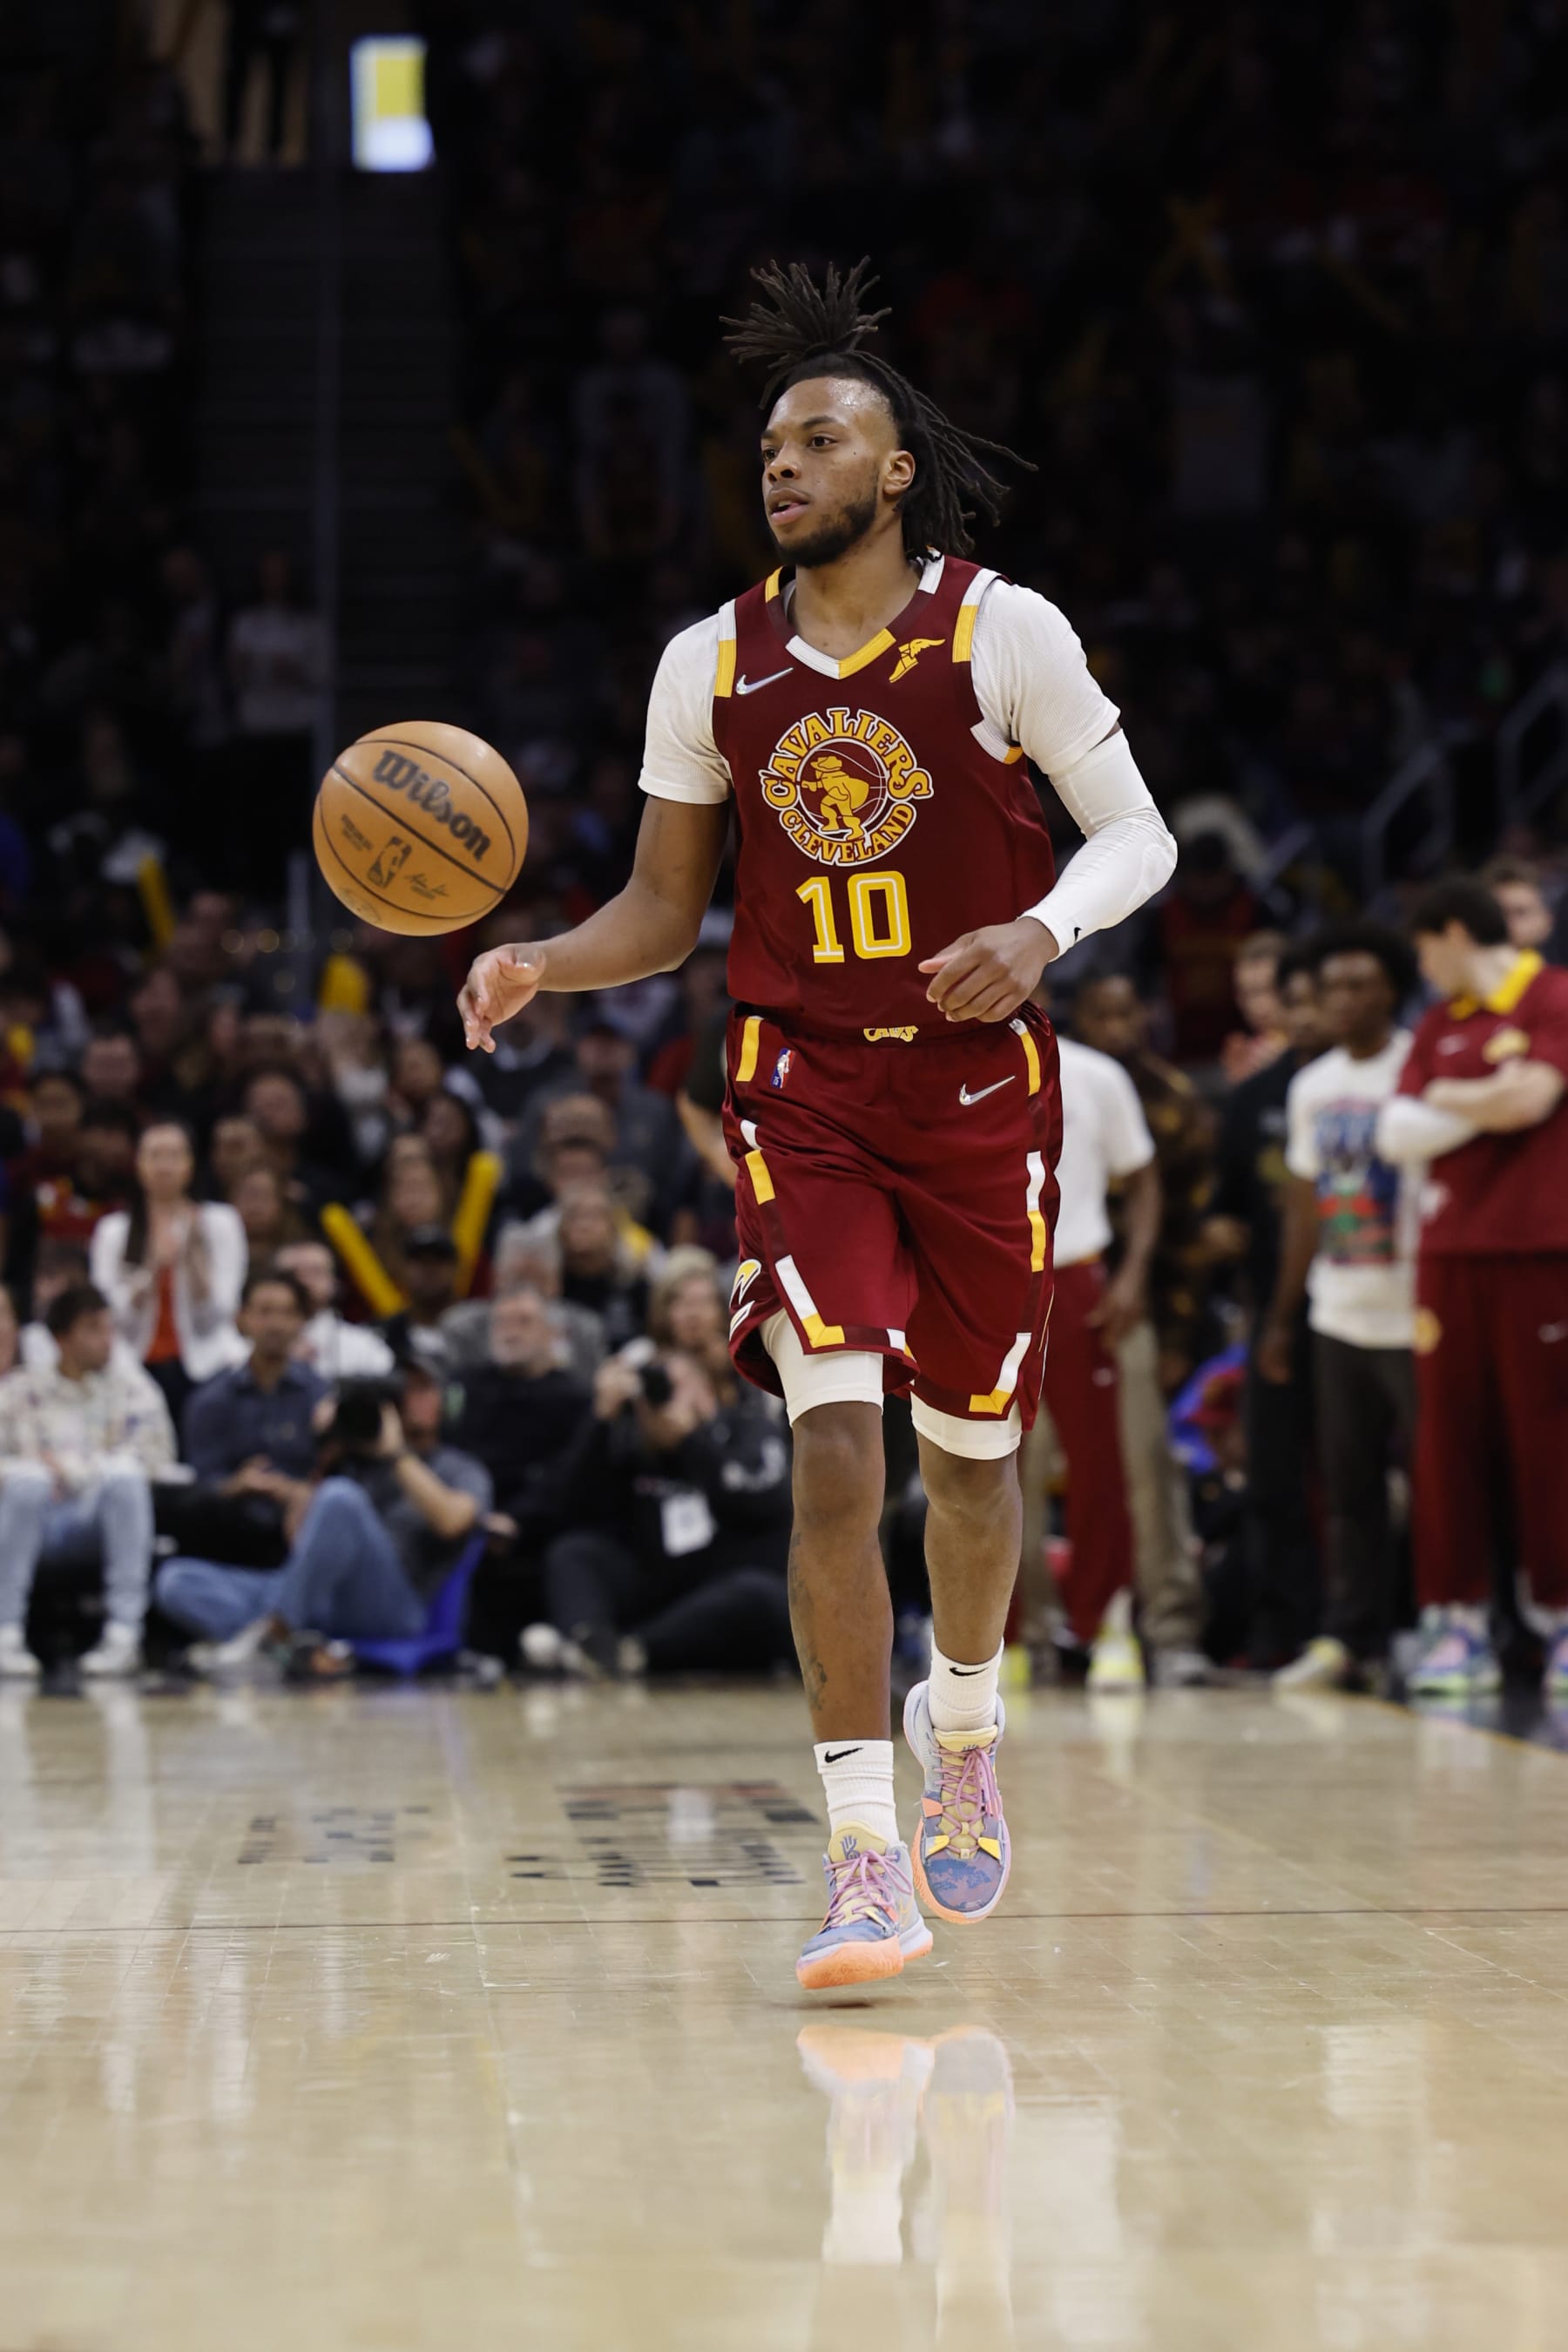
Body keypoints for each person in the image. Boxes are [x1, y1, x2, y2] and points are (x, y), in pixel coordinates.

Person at [460, 260, 1176, 1990]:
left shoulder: (1005, 632)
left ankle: (969, 1718)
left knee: (978, 1475)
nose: (781, 465)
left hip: (976, 1092)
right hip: (803, 1094)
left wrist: (1040, 931)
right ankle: (863, 1851)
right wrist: (544, 963)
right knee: (841, 1456)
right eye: (770, 443)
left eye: (819, 437)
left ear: (894, 467)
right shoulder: (707, 661)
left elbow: (1139, 837)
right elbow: (662, 904)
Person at [1375, 880, 1568, 1695]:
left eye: (1424, 950)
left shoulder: (1554, 996)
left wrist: (1448, 1099)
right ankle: (1455, 1622)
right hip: (1447, 1257)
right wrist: (1479, 1099)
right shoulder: (1435, 1024)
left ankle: (1557, 1620)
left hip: (1538, 1250)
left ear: (1453, 934)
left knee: (1548, 1438)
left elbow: (1534, 1101)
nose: (1423, 968)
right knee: (1445, 1441)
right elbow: (1393, 1129)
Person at [1260, 927, 1419, 1689]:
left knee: (1441, 1482)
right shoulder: (1311, 1086)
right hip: (1337, 1312)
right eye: (1333, 989)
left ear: (1390, 989)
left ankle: (1447, 1622)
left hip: (1417, 1310)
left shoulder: (1419, 1065)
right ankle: (1350, 1637)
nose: (1345, 1001)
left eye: (1360, 985)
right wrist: (1283, 1320)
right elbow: (1304, 1209)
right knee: (1348, 1488)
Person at [157, 1362, 491, 1674]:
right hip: (319, 1598)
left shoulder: (458, 1467)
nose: (412, 1400)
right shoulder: (353, 1461)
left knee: (340, 1497)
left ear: (445, 1401)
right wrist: (324, 1444)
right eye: (405, 1391)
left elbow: (453, 1521)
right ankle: (290, 1644)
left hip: (393, 1607)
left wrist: (395, 1454)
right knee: (177, 1580)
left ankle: (275, 1637)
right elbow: (298, 1540)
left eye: (423, 1390)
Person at [1021, 1022, 1158, 1691]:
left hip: (1076, 1274)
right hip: (989, 1279)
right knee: (983, 1465)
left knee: (1100, 1460)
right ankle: (1004, 1634)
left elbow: (1143, 1179)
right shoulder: (943, 1064)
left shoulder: (1094, 1073)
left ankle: (1107, 1623)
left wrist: (1131, 1274)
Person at [1204, 944, 1330, 1666]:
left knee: (1358, 1476)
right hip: (1275, 1314)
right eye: (1300, 999)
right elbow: (1224, 1210)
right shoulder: (1252, 1099)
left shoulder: (1385, 1079)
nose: (1310, 1013)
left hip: (1362, 1304)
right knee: (1275, 1475)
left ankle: (1363, 1621)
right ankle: (1285, 1628)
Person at [532, 1343, 794, 1680]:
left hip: (728, 1587)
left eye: (677, 1385)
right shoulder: (633, 1444)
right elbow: (568, 1505)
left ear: (705, 1390)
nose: (663, 1399)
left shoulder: (749, 1429)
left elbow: (764, 1500)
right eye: (655, 1389)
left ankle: (628, 1652)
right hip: (659, 1587)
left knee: (752, 1594)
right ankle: (591, 1643)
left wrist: (691, 1442)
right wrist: (600, 1420)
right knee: (572, 1553)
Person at [0, 1282, 175, 1678]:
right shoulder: (18, 1391)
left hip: (97, 1520)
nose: (107, 1340)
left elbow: (157, 1457)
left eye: (109, 1329)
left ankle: (123, 1635)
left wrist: (75, 1472)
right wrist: (37, 1473)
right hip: (31, 1521)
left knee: (125, 1479)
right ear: (62, 1338)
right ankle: (5, 1633)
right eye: (94, 1329)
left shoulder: (134, 1388)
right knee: (25, 1481)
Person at [89, 1120, 247, 1429]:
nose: (164, 1166)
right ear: (138, 1165)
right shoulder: (114, 1231)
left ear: (190, 1165)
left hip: (209, 1361)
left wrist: (194, 1261)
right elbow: (110, 1315)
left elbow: (220, 1314)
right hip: (133, 1362)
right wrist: (151, 1267)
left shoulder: (221, 1223)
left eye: (174, 1156)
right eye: (155, 1155)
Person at [171, 1268, 327, 1571]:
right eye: (265, 1312)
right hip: (230, 1541)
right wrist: (236, 1485)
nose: (276, 1325)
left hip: (304, 1541)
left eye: (287, 1313)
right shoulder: (210, 1400)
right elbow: (198, 1487)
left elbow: (337, 1478)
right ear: (241, 1318)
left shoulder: (321, 1396)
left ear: (302, 1322)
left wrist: (295, 1491)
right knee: (174, 1581)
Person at [451, 1285, 590, 1528]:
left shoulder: (576, 1399)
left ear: (552, 1333)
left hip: (539, 1525)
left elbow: (568, 1473)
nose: (511, 1333)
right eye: (502, 1323)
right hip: (466, 1510)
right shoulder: (465, 1385)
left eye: (524, 1322)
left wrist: (516, 1519)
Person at [270, 1237, 395, 1379]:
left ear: (334, 1283)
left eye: (315, 1272)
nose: (304, 1281)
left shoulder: (365, 1345)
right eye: (293, 1273)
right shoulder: (248, 1347)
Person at [378, 1224, 462, 1375]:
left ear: (455, 1268)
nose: (429, 1270)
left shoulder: (478, 1332)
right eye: (419, 1262)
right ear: (402, 1270)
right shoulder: (383, 1337)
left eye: (438, 1261)